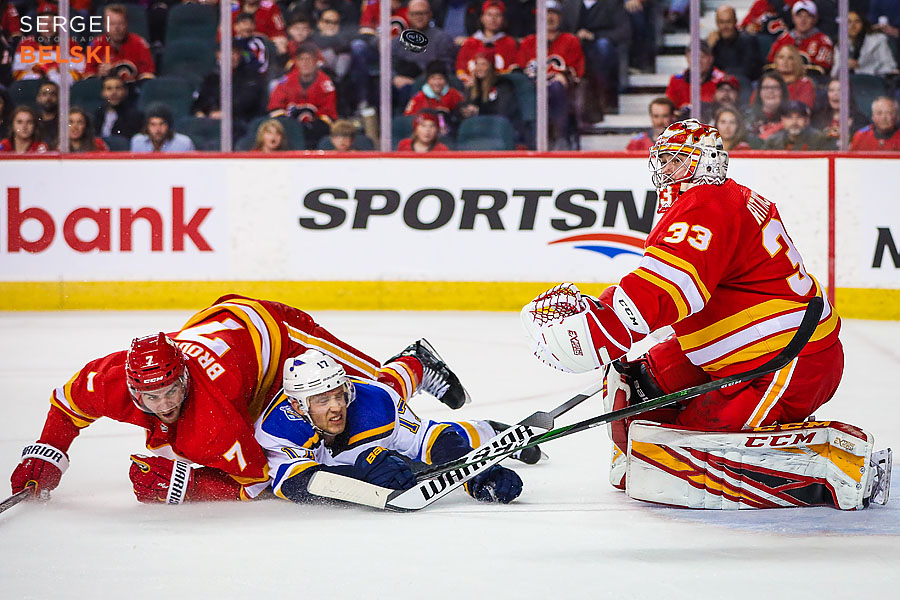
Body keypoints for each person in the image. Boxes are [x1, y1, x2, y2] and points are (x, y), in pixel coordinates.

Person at [520, 119, 891, 510]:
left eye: (677, 161)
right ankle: (658, 446)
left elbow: (668, 288)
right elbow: (690, 288)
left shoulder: (707, 205)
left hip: (786, 361)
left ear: (706, 163)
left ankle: (835, 465)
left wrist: (598, 329)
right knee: (635, 381)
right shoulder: (716, 200)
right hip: (747, 350)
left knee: (677, 453)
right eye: (663, 160)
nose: (665, 170)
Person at [9, 295, 472, 504]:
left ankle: (416, 363)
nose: (166, 404)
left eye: (173, 390)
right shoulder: (107, 379)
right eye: (152, 396)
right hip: (234, 363)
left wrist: (182, 486)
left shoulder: (211, 422)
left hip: (272, 331)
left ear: (184, 377)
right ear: (131, 390)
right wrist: (48, 454)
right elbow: (67, 406)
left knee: (370, 388)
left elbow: (257, 479)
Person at [255, 349, 525, 504]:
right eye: (323, 399)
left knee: (397, 407)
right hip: (346, 456)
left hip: (379, 411)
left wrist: (477, 471)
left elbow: (430, 439)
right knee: (401, 460)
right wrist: (361, 477)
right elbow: (299, 484)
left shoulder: (376, 400)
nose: (336, 406)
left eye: (339, 394)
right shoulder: (275, 430)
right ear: (298, 405)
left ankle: (488, 430)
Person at [517, 0, 585, 149]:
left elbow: (576, 72)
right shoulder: (528, 42)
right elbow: (521, 71)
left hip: (560, 91)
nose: (549, 18)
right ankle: (531, 141)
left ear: (560, 18)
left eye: (554, 14)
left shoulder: (570, 41)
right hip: (532, 88)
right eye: (545, 14)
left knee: (556, 86)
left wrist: (564, 77)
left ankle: (561, 137)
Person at [268, 43, 338, 149]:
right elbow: (275, 107)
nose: (305, 63)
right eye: (301, 59)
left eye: (309, 59)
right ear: (296, 62)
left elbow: (329, 113)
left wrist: (310, 125)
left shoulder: (325, 83)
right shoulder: (286, 81)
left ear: (316, 61)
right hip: (288, 130)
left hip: (315, 131)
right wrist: (291, 124)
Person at [391, 0, 456, 110]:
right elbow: (388, 65)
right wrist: (395, 78)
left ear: (430, 14)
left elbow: (445, 69)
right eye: (414, 14)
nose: (418, 17)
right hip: (400, 86)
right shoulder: (397, 41)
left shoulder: (442, 39)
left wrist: (418, 82)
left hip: (429, 86)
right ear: (407, 15)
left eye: (422, 13)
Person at [192, 42, 267, 129]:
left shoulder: (252, 76)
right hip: (211, 123)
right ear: (218, 55)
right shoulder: (211, 77)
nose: (230, 57)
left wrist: (227, 113)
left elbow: (248, 102)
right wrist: (200, 113)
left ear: (239, 54)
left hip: (241, 124)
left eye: (234, 52)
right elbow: (199, 101)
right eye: (225, 52)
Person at [84, 3, 156, 81]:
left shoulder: (139, 44)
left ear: (126, 24)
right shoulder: (96, 44)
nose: (117, 28)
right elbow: (88, 75)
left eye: (120, 23)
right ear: (105, 25)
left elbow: (148, 76)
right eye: (112, 24)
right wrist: (98, 74)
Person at [455, 0, 519, 85]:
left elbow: (514, 70)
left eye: (498, 15)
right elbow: (460, 70)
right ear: (482, 18)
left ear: (503, 19)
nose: (493, 19)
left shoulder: (510, 43)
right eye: (489, 14)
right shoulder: (470, 43)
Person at [665, 41, 733, 114]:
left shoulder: (723, 81)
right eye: (694, 57)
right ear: (687, 59)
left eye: (703, 57)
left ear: (711, 59)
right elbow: (670, 111)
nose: (698, 61)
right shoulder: (676, 81)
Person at [766, 1, 834, 74]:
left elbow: (821, 70)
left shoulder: (823, 41)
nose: (803, 20)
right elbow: (770, 64)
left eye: (808, 16)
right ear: (793, 18)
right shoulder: (783, 39)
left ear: (815, 19)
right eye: (799, 15)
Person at [403, 60, 466, 137]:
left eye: (440, 79)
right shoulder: (418, 98)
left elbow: (463, 115)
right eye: (433, 79)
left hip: (450, 135)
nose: (437, 83)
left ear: (446, 80)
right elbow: (408, 119)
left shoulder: (454, 94)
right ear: (427, 80)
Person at [459, 49, 519, 126]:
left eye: (483, 64)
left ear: (491, 66)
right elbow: (466, 104)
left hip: (497, 128)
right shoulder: (473, 86)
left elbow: (502, 110)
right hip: (477, 126)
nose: (479, 68)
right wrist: (465, 110)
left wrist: (479, 111)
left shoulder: (503, 85)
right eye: (477, 64)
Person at [832, 11, 899, 76]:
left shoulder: (878, 40)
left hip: (873, 80)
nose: (853, 25)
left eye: (857, 21)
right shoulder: (839, 43)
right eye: (848, 22)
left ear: (863, 23)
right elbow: (834, 71)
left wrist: (873, 71)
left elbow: (889, 65)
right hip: (849, 82)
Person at [708, 5, 762, 82]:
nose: (725, 26)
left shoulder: (748, 40)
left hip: (744, 84)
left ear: (735, 22)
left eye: (728, 22)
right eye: (721, 22)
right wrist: (709, 48)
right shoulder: (712, 42)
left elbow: (750, 70)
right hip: (718, 85)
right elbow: (705, 71)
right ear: (717, 23)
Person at [811, 77, 867, 143]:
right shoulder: (818, 117)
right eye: (831, 90)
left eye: (840, 90)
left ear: (848, 94)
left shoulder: (860, 120)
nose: (835, 94)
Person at [764, 100, 833, 150]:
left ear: (806, 120)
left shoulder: (819, 139)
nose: (794, 122)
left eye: (799, 117)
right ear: (783, 120)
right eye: (789, 117)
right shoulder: (773, 141)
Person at [94, 74, 144, 139]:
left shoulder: (135, 116)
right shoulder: (97, 115)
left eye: (118, 88)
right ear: (103, 93)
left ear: (125, 92)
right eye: (109, 89)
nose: (114, 92)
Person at [130, 105, 196, 153]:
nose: (157, 129)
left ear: (169, 125)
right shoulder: (137, 142)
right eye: (153, 124)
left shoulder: (184, 143)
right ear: (147, 126)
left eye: (162, 124)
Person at [769, 44, 816, 109]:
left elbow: (803, 110)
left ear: (796, 62)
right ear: (776, 61)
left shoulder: (805, 84)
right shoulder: (768, 82)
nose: (785, 61)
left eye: (790, 58)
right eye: (781, 57)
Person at [745, 71, 787, 140]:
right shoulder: (747, 116)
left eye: (775, 87)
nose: (770, 91)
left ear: (782, 92)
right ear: (759, 92)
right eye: (766, 87)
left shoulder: (791, 116)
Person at [34, 80, 59, 149]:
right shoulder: (33, 121)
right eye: (44, 94)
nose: (48, 98)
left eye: (52, 94)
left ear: (59, 98)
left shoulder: (64, 121)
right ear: (38, 98)